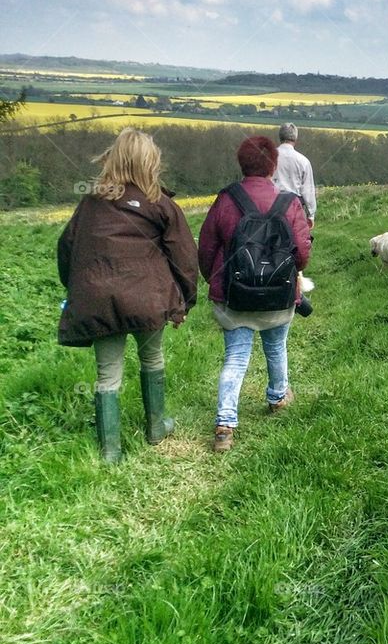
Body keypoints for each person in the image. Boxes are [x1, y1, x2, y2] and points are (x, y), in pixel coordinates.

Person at [57, 127, 198, 464]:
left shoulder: (90, 202)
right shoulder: (160, 203)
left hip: (98, 302)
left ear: (113, 159)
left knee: (108, 374)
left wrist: (76, 289)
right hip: (148, 300)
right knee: (152, 359)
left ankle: (110, 451)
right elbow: (185, 258)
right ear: (150, 162)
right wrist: (185, 301)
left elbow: (66, 249)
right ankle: (156, 427)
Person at [199, 136, 311, 453]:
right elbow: (302, 255)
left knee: (235, 359)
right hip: (278, 298)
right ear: (273, 165)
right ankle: (278, 397)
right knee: (276, 347)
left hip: (235, 299)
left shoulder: (225, 200)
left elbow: (206, 249)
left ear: (241, 163)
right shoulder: (289, 203)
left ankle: (225, 425)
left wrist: (216, 282)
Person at [273, 122, 317, 226]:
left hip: (270, 205)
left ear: (280, 137)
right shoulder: (303, 161)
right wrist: (311, 214)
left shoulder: (268, 157)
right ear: (295, 139)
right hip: (294, 208)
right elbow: (308, 191)